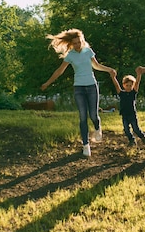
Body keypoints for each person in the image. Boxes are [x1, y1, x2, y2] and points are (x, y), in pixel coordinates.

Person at [41, 29, 116, 157]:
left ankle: (98, 128)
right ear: (71, 44)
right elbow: (59, 71)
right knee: (82, 116)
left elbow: (96, 65)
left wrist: (109, 70)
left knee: (93, 115)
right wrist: (48, 83)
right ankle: (86, 145)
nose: (78, 45)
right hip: (79, 88)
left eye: (79, 42)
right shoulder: (70, 55)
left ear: (83, 41)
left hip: (92, 86)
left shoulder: (88, 51)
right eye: (75, 43)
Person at [111, 73, 145, 146]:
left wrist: (139, 74)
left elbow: (137, 82)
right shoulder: (121, 93)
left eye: (130, 85)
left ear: (133, 86)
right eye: (127, 85)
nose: (128, 87)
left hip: (132, 114)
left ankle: (143, 137)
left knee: (135, 129)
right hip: (124, 114)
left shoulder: (133, 93)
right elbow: (116, 85)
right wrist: (113, 77)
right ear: (124, 85)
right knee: (126, 129)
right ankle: (132, 140)